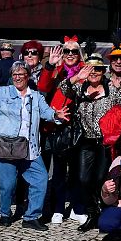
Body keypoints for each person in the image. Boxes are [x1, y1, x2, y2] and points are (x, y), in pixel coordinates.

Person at [59, 53, 121, 231]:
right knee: (82, 178)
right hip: (86, 141)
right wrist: (78, 77)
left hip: (106, 143)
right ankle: (91, 211)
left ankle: (101, 211)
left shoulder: (111, 89)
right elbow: (62, 88)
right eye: (90, 69)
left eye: (98, 69)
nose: (94, 72)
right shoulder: (80, 89)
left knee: (100, 178)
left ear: (103, 71)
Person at [0, 61, 69, 231]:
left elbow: (47, 113)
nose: (17, 77)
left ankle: (31, 217)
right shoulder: (2, 92)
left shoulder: (36, 96)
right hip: (5, 145)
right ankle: (5, 213)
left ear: (28, 76)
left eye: (21, 74)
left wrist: (56, 115)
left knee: (40, 179)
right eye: (14, 74)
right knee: (7, 184)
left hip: (29, 147)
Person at [37, 37, 87, 225]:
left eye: (74, 51)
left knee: (76, 172)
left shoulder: (85, 69)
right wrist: (49, 66)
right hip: (56, 128)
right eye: (67, 51)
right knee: (58, 171)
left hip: (78, 128)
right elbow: (43, 87)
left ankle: (75, 208)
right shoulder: (56, 71)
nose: (71, 55)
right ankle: (57, 208)